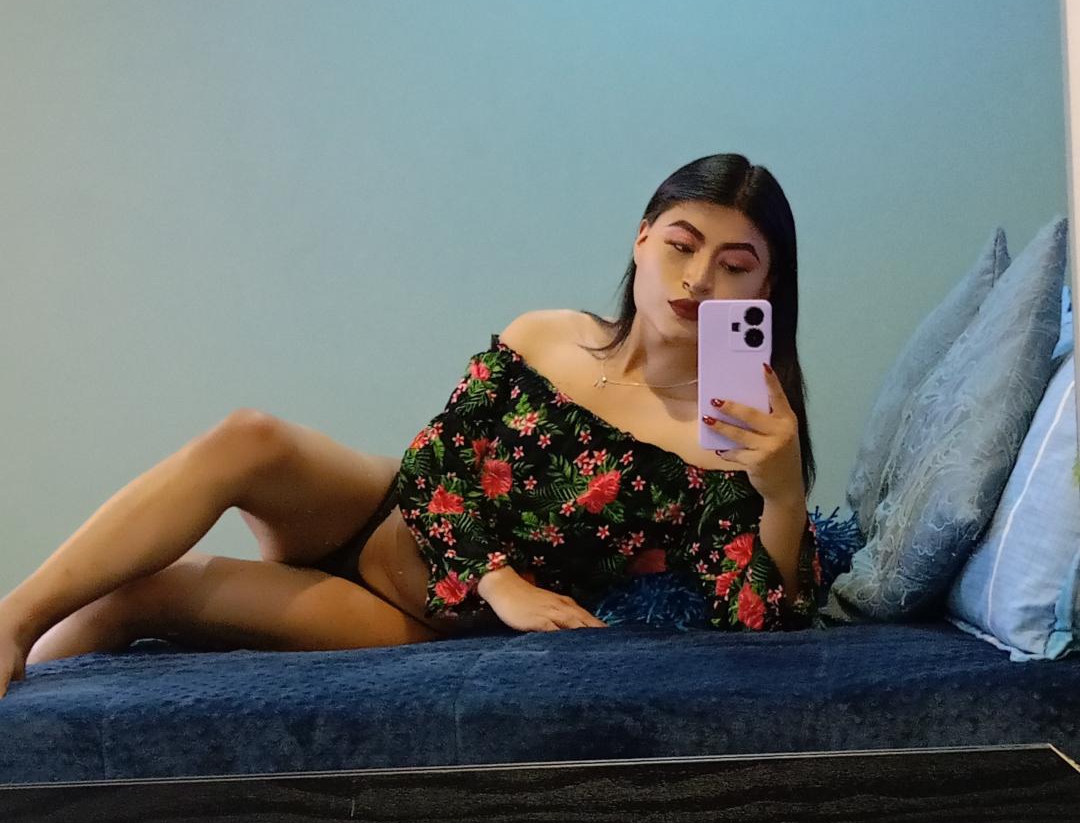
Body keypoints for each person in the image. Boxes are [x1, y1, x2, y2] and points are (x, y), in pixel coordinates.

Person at [0, 152, 821, 697]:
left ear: (765, 290)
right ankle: (9, 619)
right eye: (681, 244)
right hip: (383, 515)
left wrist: (781, 496)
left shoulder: (729, 438)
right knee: (250, 437)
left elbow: (758, 623)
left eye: (735, 264)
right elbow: (432, 463)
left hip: (421, 615)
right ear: (641, 242)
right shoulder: (546, 335)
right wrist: (502, 578)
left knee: (146, 594)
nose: (697, 279)